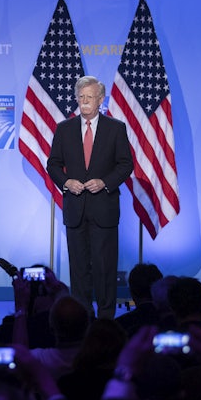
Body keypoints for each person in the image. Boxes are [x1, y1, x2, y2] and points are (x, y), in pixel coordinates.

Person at [46, 75, 134, 319]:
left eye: (89, 97)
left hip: (104, 210)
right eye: (81, 97)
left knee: (105, 269)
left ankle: (106, 318)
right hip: (75, 210)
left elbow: (125, 165)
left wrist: (105, 182)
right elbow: (53, 164)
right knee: (79, 269)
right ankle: (82, 317)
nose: (84, 101)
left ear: (100, 100)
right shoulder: (64, 129)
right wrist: (66, 182)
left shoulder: (116, 128)